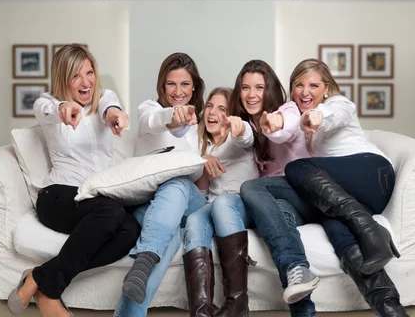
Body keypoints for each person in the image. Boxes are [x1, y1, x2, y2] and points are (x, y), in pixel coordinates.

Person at [7, 44, 140, 317]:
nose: (86, 82)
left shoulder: (104, 97)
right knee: (112, 211)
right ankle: (51, 291)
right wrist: (64, 109)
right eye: (76, 76)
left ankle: (41, 277)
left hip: (95, 199)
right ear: (62, 78)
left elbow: (109, 106)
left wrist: (115, 115)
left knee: (130, 230)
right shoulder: (46, 103)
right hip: (57, 197)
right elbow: (52, 109)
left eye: (89, 72)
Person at [283, 59, 407, 317]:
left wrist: (318, 115)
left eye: (313, 85)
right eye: (299, 85)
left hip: (372, 172)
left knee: (296, 169)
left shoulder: (338, 104)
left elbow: (331, 115)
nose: (305, 91)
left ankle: (371, 229)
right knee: (334, 224)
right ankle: (390, 309)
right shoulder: (301, 123)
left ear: (326, 88)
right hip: (356, 193)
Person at [115, 52, 208, 317]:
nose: (178, 91)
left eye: (185, 84)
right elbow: (158, 121)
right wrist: (175, 117)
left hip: (190, 201)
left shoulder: (201, 123)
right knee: (166, 239)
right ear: (161, 85)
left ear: (194, 87)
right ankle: (134, 297)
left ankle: (143, 259)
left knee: (176, 183)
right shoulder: (149, 110)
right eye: (171, 84)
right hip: (151, 204)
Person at [230, 60, 319, 317]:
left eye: (259, 87)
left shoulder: (287, 109)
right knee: (279, 218)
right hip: (286, 202)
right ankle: (303, 304)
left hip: (304, 192)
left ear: (270, 90)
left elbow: (286, 127)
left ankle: (295, 265)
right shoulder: (248, 127)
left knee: (252, 188)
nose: (251, 94)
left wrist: (275, 124)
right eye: (245, 88)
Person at [181, 87, 259, 317]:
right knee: (195, 219)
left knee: (223, 203)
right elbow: (203, 191)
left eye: (222, 108)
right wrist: (201, 160)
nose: (213, 112)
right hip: (214, 205)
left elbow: (247, 136)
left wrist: (239, 126)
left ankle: (237, 305)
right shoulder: (201, 146)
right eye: (210, 106)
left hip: (241, 204)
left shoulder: (237, 140)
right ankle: (201, 311)